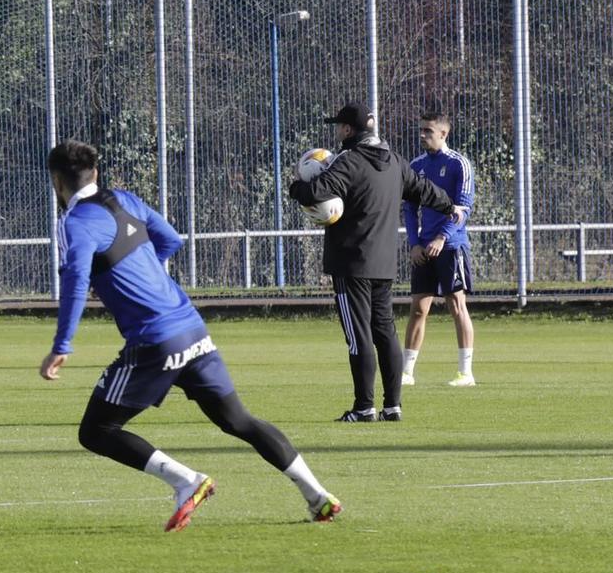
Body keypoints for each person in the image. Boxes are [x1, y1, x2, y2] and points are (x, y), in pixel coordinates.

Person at [39, 140, 343, 530]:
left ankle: (187, 481)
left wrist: (62, 345)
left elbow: (76, 279)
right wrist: (147, 270)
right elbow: (169, 240)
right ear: (95, 174)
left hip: (155, 340)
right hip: (191, 328)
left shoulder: (75, 222)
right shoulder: (126, 200)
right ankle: (318, 496)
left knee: (96, 430)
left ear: (56, 182)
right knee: (240, 421)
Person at [288, 103, 462, 422]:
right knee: (384, 332)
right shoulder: (395, 161)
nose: (337, 131)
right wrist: (451, 206)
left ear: (349, 130)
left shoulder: (349, 162)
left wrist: (295, 185)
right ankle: (393, 405)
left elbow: (313, 192)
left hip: (350, 263)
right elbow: (424, 190)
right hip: (383, 264)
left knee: (358, 335)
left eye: (340, 126)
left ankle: (363, 407)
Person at [401, 110, 476, 388]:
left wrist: (442, 238)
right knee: (418, 309)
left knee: (456, 305)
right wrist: (414, 243)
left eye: (428, 131)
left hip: (451, 246)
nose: (422, 135)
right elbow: (409, 208)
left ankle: (465, 372)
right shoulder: (416, 165)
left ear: (443, 134)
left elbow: (463, 209)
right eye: (421, 130)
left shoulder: (459, 164)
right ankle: (407, 372)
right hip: (423, 249)